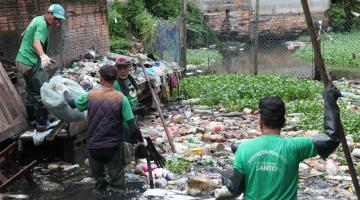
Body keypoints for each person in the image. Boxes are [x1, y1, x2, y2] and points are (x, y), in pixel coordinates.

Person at [223, 83, 342, 199]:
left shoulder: (244, 148)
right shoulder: (295, 147)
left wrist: (227, 176)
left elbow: (235, 190)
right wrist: (330, 100)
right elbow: (331, 138)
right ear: (283, 122)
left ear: (261, 123)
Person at [55, 64, 146, 194]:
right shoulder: (122, 99)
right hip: (114, 148)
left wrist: (64, 90)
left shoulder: (90, 96)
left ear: (101, 78)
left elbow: (71, 103)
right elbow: (133, 128)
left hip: (94, 147)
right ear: (115, 80)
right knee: (117, 185)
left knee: (99, 183)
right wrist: (142, 142)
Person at [15, 4, 66, 131]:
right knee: (42, 90)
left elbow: (24, 34)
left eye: (59, 20)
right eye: (56, 18)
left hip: (21, 61)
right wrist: (43, 56)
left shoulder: (37, 19)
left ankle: (32, 119)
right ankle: (42, 123)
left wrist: (45, 56)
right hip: (29, 62)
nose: (57, 22)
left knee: (32, 92)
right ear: (49, 13)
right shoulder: (43, 25)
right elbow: (36, 42)